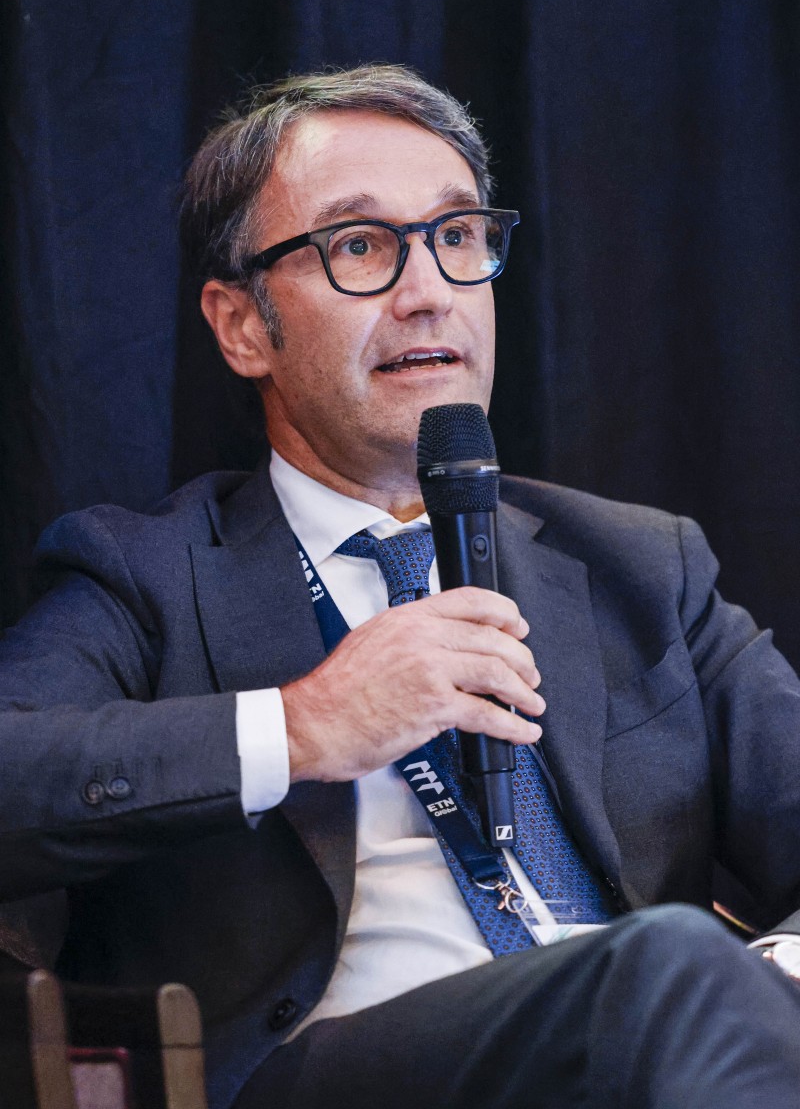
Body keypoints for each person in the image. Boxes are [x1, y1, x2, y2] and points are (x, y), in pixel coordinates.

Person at [1, 64, 800, 1109]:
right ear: (242, 325)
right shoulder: (144, 574)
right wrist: (302, 726)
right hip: (331, 1073)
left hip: (660, 1054)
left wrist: (756, 995)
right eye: (360, 247)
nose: (429, 292)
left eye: (457, 236)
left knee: (689, 979)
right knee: (669, 965)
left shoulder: (639, 565)